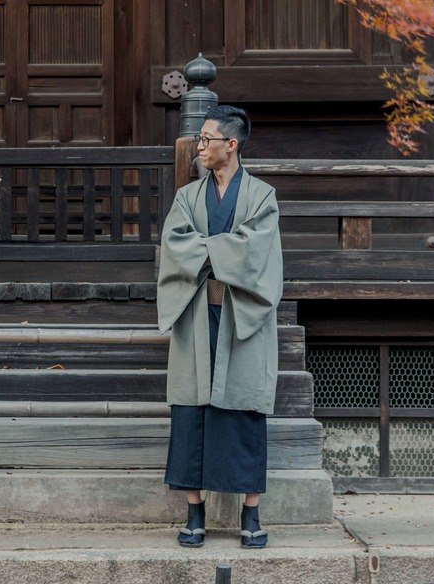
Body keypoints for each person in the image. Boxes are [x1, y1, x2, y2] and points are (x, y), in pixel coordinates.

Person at [157, 105, 283, 549]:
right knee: (190, 410)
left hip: (242, 313)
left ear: (231, 144)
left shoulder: (262, 196)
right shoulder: (188, 197)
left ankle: (251, 514)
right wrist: (225, 250)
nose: (200, 147)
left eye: (207, 139)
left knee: (244, 409)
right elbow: (175, 244)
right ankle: (195, 513)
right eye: (200, 139)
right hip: (196, 310)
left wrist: (207, 251)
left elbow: (256, 250)